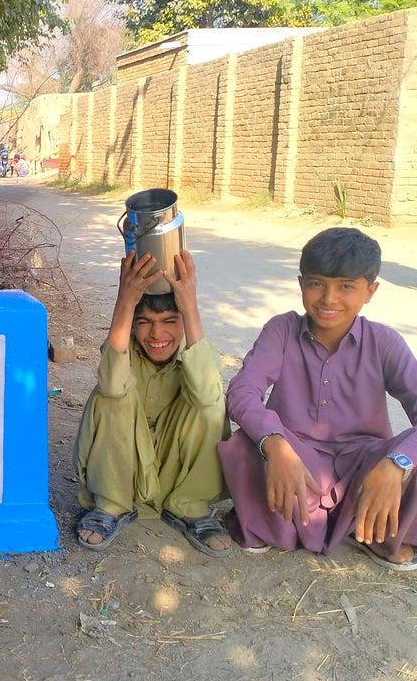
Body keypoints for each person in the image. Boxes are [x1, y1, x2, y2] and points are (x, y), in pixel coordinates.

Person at [219, 227, 417, 569]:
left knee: (410, 456)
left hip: (364, 464)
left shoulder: (383, 342)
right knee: (242, 446)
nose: (329, 299)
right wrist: (275, 444)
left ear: (370, 291)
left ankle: (379, 533)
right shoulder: (282, 330)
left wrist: (396, 463)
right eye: (317, 284)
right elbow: (242, 391)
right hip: (296, 460)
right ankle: (281, 523)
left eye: (346, 286)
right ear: (301, 285)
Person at [72, 249, 231, 556]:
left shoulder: (198, 351)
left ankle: (189, 506)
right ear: (133, 324)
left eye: (170, 321)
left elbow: (206, 395)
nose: (157, 334)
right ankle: (112, 505)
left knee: (209, 400)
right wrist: (126, 301)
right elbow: (111, 383)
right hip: (124, 475)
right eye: (145, 322)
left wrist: (189, 305)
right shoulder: (123, 348)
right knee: (110, 394)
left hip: (174, 476)